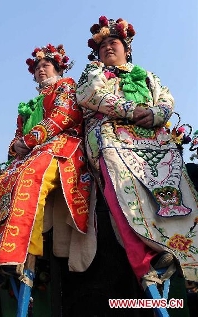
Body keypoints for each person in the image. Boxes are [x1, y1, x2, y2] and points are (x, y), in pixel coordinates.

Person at [76, 16, 198, 293]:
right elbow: (91, 95)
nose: (108, 47)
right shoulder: (93, 72)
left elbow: (166, 98)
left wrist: (156, 112)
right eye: (103, 44)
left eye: (114, 42)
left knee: (177, 195)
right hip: (113, 140)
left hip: (158, 142)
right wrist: (133, 111)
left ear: (126, 48)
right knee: (123, 195)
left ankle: (187, 256)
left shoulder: (147, 75)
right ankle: (148, 262)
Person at [0, 43, 92, 297]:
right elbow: (17, 137)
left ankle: (22, 252)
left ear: (58, 67)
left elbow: (64, 116)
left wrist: (28, 141)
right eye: (37, 67)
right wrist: (17, 146)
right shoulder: (28, 105)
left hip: (62, 144)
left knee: (31, 175)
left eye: (46, 65)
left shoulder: (66, 85)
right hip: (32, 151)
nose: (41, 70)